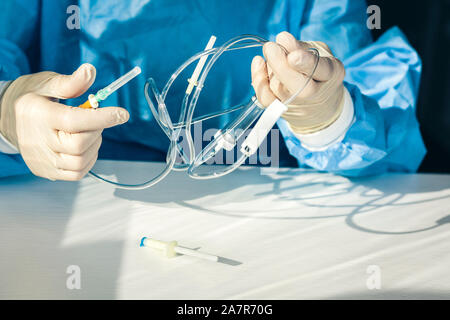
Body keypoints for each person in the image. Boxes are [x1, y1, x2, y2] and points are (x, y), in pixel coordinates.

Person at [0, 0, 425, 181]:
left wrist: (327, 118)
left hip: (267, 197)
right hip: (81, 198)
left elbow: (384, 133)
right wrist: (7, 115)